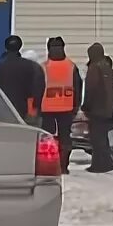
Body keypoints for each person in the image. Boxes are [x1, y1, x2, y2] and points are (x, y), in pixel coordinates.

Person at [39, 37, 83, 174]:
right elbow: (78, 87)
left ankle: (50, 164)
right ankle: (64, 166)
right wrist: (76, 107)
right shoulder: (71, 66)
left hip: (46, 108)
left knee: (48, 138)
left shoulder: (43, 67)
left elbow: (38, 87)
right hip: (67, 107)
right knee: (65, 138)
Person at [0, 35, 45, 126]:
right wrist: (35, 108)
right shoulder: (32, 66)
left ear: (6, 47)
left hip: (3, 112)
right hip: (25, 113)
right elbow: (39, 89)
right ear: (20, 46)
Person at [81, 42, 113, 173]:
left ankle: (100, 164)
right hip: (107, 110)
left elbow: (91, 89)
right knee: (103, 138)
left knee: (96, 139)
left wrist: (86, 106)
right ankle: (106, 162)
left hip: (96, 110)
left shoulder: (94, 68)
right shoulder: (108, 68)